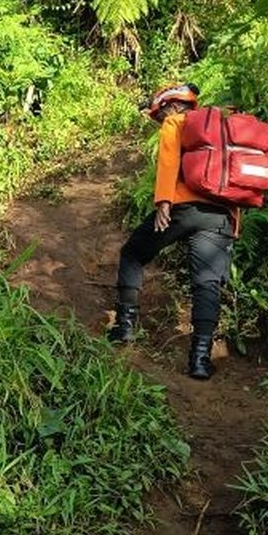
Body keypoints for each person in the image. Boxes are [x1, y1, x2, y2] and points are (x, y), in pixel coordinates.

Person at [107, 83, 238, 380]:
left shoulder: (175, 123)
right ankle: (200, 360)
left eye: (161, 111)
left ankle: (124, 327)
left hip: (181, 207)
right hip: (220, 214)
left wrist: (163, 201)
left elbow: (168, 161)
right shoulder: (221, 127)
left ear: (169, 105)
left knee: (133, 253)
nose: (161, 117)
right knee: (207, 283)